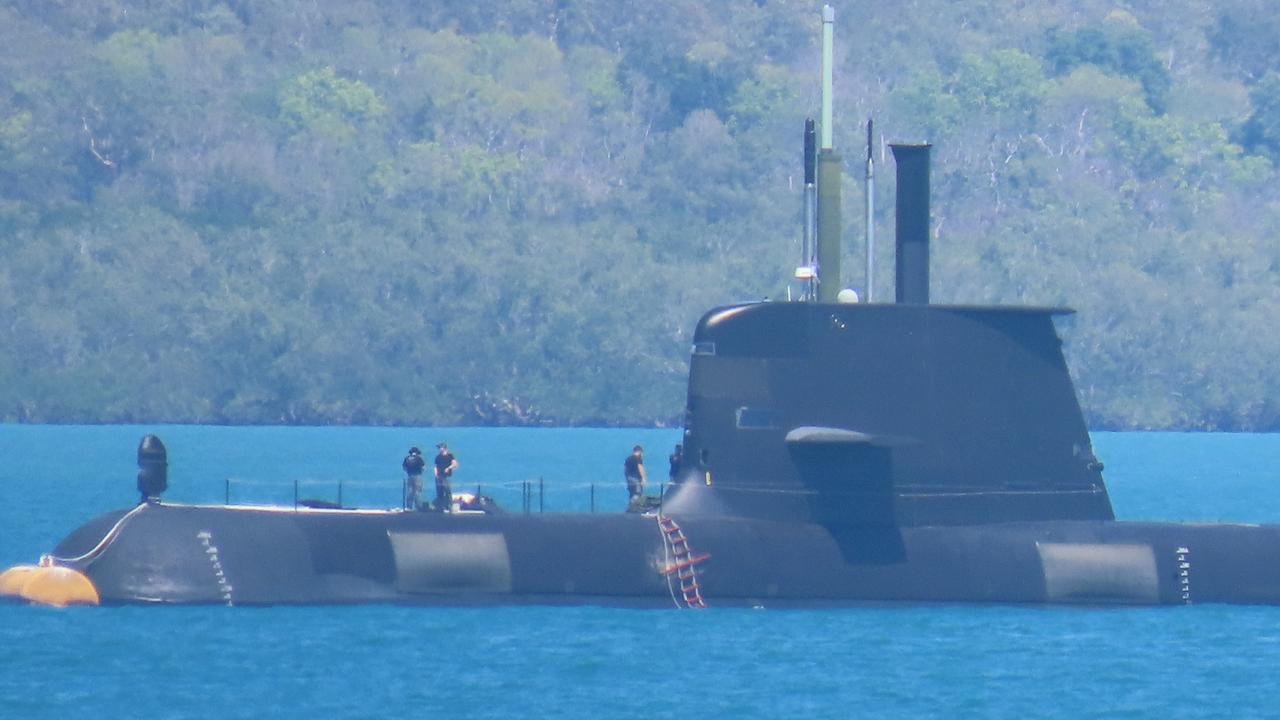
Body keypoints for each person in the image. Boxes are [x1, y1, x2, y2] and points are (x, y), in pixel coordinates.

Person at [434, 442, 459, 512]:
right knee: (440, 492)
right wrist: (436, 474)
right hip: (439, 476)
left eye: (440, 447)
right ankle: (440, 507)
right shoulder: (438, 457)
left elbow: (455, 464)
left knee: (447, 491)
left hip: (446, 477)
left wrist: (448, 468)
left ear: (444, 448)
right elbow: (436, 466)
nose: (439, 449)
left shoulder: (450, 456)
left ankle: (450, 506)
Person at [624, 445, 646, 511]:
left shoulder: (628, 458)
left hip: (629, 478)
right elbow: (640, 468)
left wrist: (627, 478)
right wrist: (643, 478)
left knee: (631, 493)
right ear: (640, 451)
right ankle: (631, 508)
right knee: (637, 493)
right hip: (636, 478)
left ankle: (632, 508)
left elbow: (625, 469)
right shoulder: (638, 458)